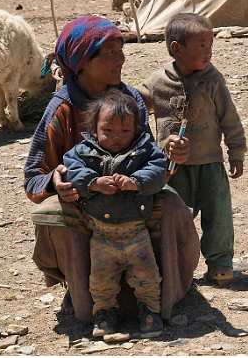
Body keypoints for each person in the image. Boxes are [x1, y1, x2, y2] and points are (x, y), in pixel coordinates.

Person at [24, 15, 199, 324]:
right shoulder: (61, 109)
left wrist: (172, 157)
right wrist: (56, 182)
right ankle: (82, 294)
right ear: (82, 62)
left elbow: (149, 160)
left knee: (172, 206)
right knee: (50, 213)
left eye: (121, 50)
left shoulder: (130, 101)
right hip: (87, 207)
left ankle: (167, 296)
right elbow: (33, 178)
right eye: (109, 53)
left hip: (134, 203)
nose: (122, 58)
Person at [142, 13, 246, 287]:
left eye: (211, 45)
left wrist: (236, 151)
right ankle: (175, 267)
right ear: (177, 49)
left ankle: (220, 264)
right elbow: (136, 106)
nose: (209, 52)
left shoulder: (212, 80)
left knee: (219, 215)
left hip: (210, 163)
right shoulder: (157, 82)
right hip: (173, 168)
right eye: (202, 47)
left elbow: (229, 118)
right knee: (175, 218)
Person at [63, 90, 166, 338]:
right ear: (94, 128)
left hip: (137, 233)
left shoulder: (146, 150)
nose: (116, 138)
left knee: (147, 277)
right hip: (101, 235)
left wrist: (136, 182)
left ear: (136, 129)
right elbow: (71, 168)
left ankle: (150, 311)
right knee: (101, 281)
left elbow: (158, 171)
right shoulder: (83, 151)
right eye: (108, 131)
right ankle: (104, 314)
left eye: (125, 131)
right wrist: (93, 183)